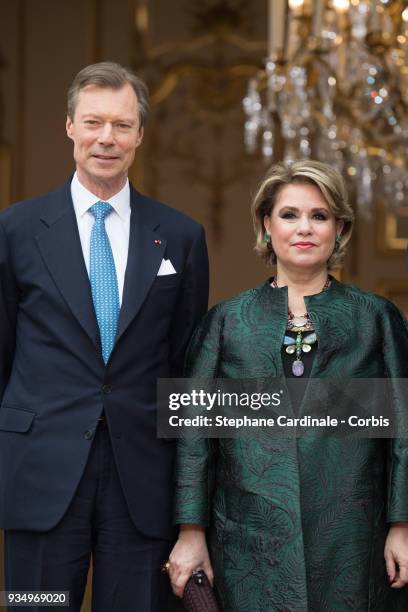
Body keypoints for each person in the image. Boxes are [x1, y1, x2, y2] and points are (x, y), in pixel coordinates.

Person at [0, 61, 208, 611]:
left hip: (142, 478)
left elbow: (184, 371)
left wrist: (192, 509)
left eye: (121, 125)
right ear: (69, 125)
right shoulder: (15, 230)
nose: (106, 139)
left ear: (140, 133)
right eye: (94, 123)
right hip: (40, 473)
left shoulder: (181, 237)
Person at [168, 160, 408, 611]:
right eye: (290, 214)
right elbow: (193, 436)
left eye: (319, 216)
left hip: (352, 538)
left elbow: (405, 431)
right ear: (266, 224)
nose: (305, 228)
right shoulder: (225, 322)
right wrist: (190, 532)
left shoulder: (376, 318)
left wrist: (403, 525)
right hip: (247, 539)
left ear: (339, 228)